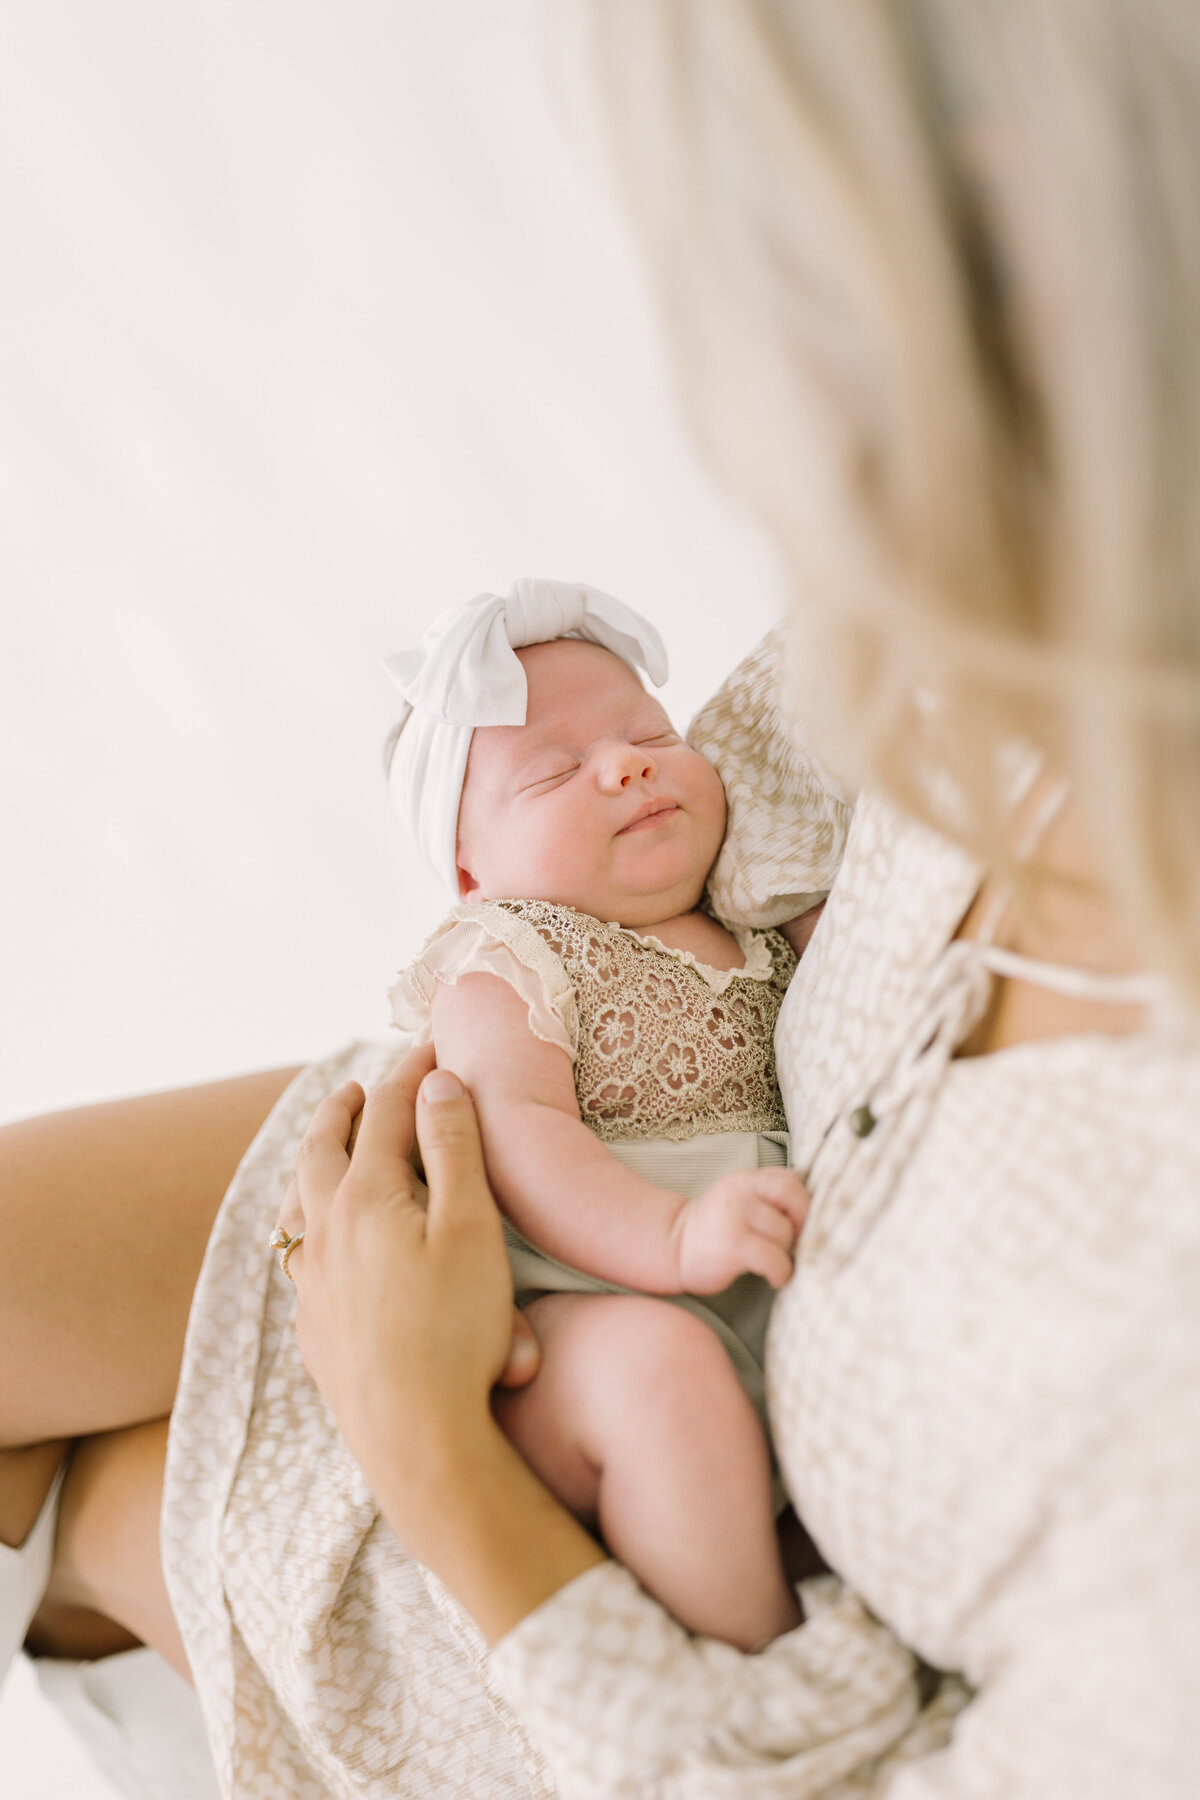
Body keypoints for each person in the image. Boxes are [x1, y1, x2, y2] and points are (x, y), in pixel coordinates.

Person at [2, 3, 1198, 1797]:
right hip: (536, 1179)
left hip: (594, 1580)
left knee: (91, 1509)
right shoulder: (998, 612)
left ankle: (106, 1569)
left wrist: (429, 1454)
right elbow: (671, 815)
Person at [377, 579, 810, 1649]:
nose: (627, 765)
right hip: (573, 1314)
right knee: (657, 1377)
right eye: (555, 774)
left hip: (744, 1288)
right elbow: (525, 1139)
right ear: (474, 875)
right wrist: (670, 1237)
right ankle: (744, 1681)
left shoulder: (751, 923)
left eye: (647, 732)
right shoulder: (511, 961)